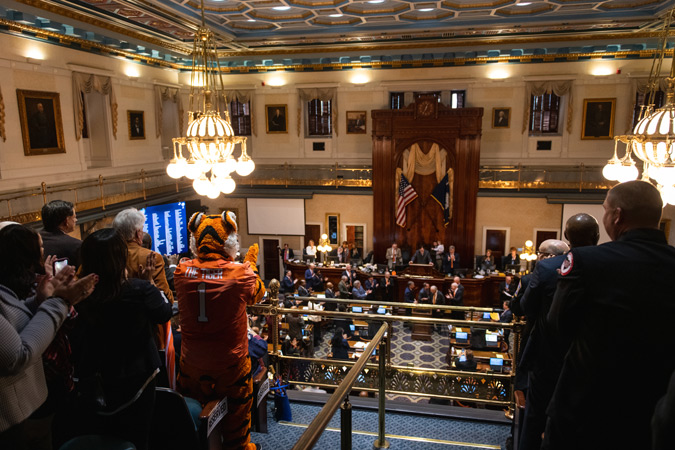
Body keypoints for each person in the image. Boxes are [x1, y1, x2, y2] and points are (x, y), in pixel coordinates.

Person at [543, 181, 675, 450]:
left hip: (586, 405)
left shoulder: (586, 260)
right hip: (653, 408)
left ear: (617, 216)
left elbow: (558, 323)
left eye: (604, 210)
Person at [72, 228, 172, 450]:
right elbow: (164, 312)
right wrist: (150, 283)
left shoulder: (79, 294)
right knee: (139, 434)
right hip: (137, 376)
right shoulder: (140, 289)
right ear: (120, 257)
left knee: (104, 433)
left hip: (95, 377)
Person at [173, 211, 265, 450]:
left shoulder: (181, 272)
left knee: (195, 423)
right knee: (236, 418)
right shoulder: (240, 274)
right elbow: (258, 293)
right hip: (230, 364)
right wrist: (251, 265)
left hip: (191, 362)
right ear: (230, 243)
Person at [0, 225, 96, 450]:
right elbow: (16, 356)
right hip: (13, 422)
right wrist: (60, 302)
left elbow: (11, 320)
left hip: (27, 410)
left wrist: (38, 302)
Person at [518, 219, 597, 450]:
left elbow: (527, 308)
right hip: (590, 358)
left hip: (547, 357)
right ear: (597, 235)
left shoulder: (546, 268)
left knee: (535, 418)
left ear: (567, 236)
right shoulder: (608, 265)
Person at [113, 208, 174, 354]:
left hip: (112, 331)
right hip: (147, 333)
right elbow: (167, 299)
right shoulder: (152, 257)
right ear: (137, 233)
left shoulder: (106, 256)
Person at [40, 200, 81, 269]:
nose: (76, 220)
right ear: (66, 221)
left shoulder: (33, 239)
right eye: (74, 217)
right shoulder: (75, 245)